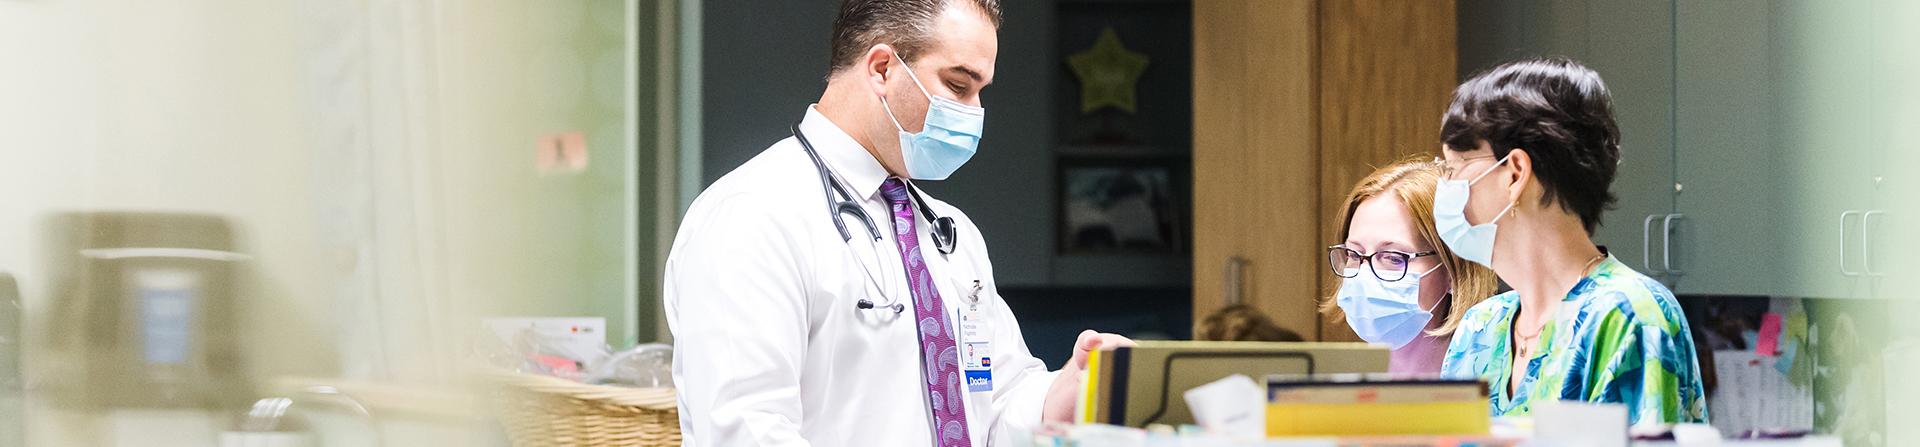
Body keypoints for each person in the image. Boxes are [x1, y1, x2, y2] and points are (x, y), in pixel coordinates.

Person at [663, 1, 1133, 446]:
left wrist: (1065, 394)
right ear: (882, 68)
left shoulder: (950, 233)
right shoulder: (754, 217)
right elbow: (745, 430)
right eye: (958, 84)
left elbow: (993, 407)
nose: (974, 113)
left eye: (980, 92)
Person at [1432, 57, 1708, 425]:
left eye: (1455, 167)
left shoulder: (1629, 316)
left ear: (1514, 174)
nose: (1445, 186)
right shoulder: (1481, 327)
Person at [1322, 159, 1501, 374]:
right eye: (1354, 254)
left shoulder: (1496, 388)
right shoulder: (1329, 396)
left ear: (1452, 270)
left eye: (1393, 257)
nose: (1365, 275)